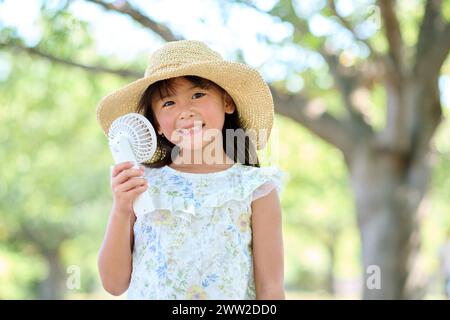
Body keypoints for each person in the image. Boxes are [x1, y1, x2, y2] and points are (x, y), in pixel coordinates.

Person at [96, 40, 288, 299]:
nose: (185, 112)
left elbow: (271, 288)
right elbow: (114, 283)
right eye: (168, 103)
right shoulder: (141, 183)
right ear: (157, 125)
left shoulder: (256, 189)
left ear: (227, 102)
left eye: (198, 95)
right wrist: (121, 208)